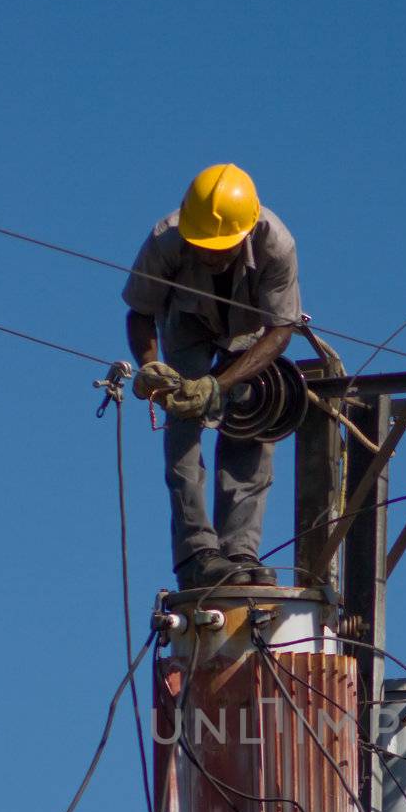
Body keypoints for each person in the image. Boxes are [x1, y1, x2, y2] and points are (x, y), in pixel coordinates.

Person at [122, 163, 302, 589]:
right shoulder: (167, 238)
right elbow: (139, 312)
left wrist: (219, 386)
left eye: (219, 248)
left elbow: (281, 331)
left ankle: (238, 552)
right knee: (183, 431)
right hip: (188, 326)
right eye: (201, 245)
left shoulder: (277, 245)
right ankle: (197, 555)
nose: (208, 254)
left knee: (252, 426)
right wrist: (152, 366)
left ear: (244, 235)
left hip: (251, 337)